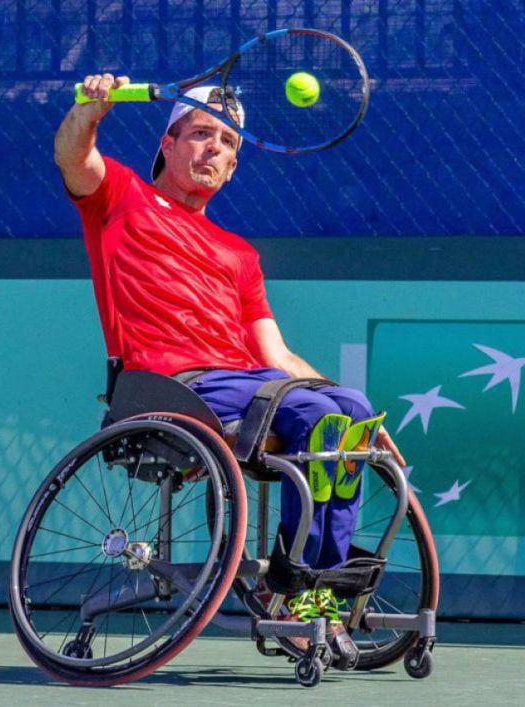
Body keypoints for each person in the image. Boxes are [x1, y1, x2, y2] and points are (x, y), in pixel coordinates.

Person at [56, 73, 406, 638]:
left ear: (233, 168)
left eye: (226, 142)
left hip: (248, 385)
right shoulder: (121, 196)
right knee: (322, 416)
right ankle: (295, 592)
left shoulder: (239, 253)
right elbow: (75, 158)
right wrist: (88, 110)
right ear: (167, 146)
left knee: (347, 413)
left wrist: (359, 418)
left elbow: (276, 354)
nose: (212, 147)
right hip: (171, 385)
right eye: (199, 134)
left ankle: (310, 589)